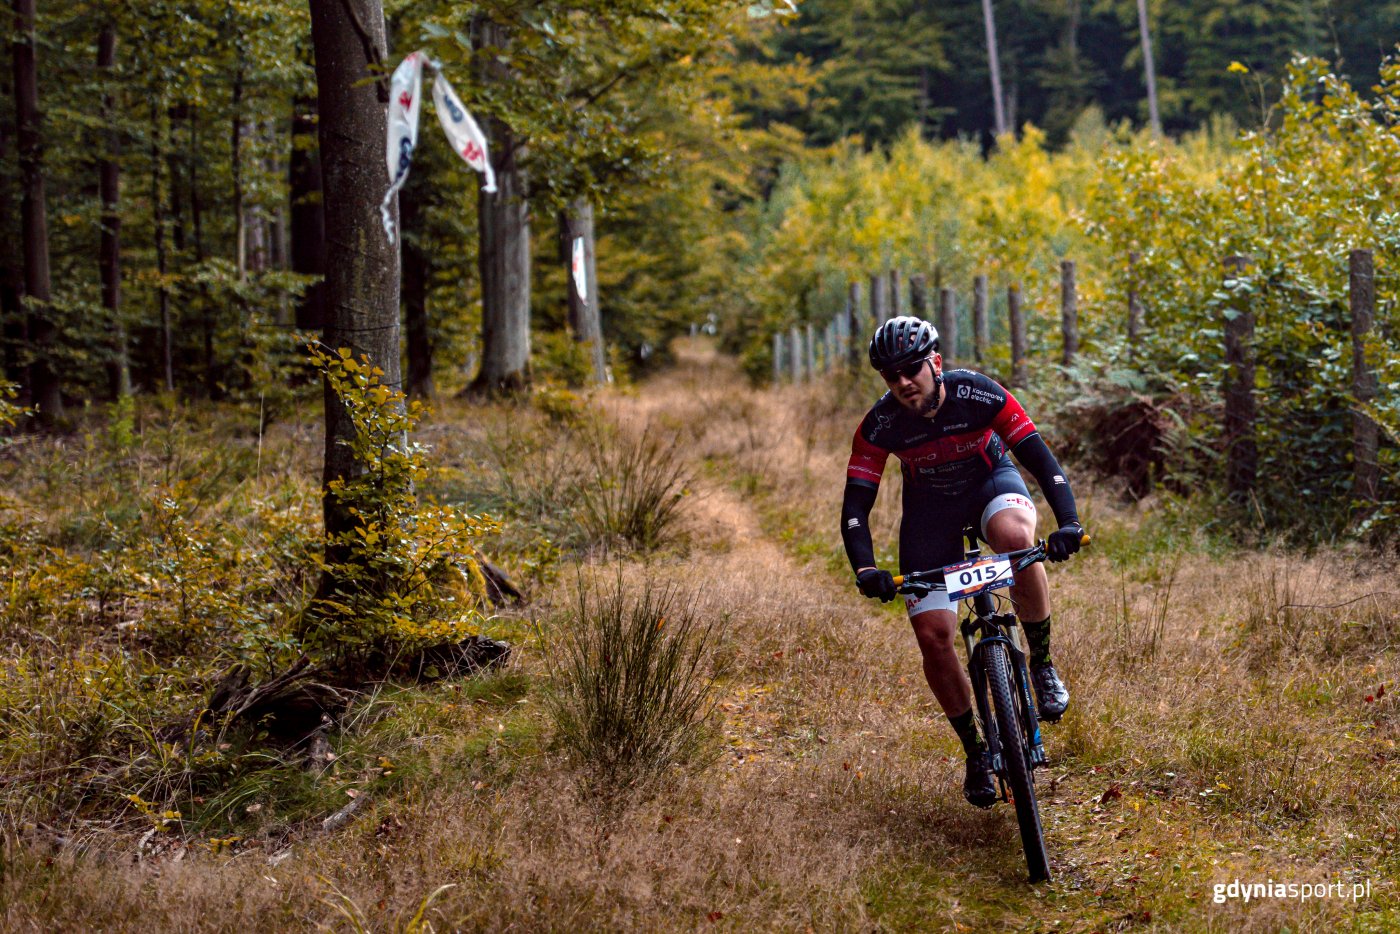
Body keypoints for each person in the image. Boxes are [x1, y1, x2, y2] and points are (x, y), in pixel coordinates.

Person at [840, 315, 1084, 808]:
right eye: (892, 376)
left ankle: (1042, 664)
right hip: (930, 513)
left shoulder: (980, 394)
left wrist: (1069, 523)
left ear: (935, 362)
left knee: (1017, 540)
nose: (905, 382)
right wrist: (865, 568)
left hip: (990, 485)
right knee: (933, 636)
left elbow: (1042, 461)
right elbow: (855, 508)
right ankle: (976, 753)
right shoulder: (880, 425)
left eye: (912, 368)